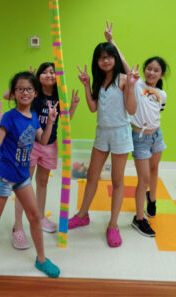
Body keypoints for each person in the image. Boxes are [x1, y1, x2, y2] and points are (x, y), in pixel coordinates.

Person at [0, 71, 60, 293]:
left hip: (22, 177)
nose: (24, 92)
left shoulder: (34, 116)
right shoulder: (9, 116)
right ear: (15, 92)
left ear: (35, 92)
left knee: (35, 216)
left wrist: (52, 121)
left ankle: (41, 258)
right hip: (4, 176)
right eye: (20, 89)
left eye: (29, 89)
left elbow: (44, 140)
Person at [68, 38, 139, 248]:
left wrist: (132, 88)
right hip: (102, 134)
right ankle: (82, 215)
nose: (105, 60)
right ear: (97, 61)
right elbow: (92, 108)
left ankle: (113, 225)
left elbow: (132, 110)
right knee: (91, 176)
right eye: (101, 58)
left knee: (117, 181)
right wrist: (86, 84)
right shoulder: (100, 82)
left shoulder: (124, 79)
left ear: (115, 58)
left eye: (108, 56)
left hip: (120, 134)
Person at [4, 62, 79, 250]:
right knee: (24, 184)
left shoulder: (58, 96)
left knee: (43, 182)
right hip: (29, 144)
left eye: (52, 72)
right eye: (44, 72)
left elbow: (65, 120)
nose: (48, 75)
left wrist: (73, 106)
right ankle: (18, 226)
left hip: (49, 144)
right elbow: (7, 96)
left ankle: (40, 217)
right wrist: (27, 79)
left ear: (57, 77)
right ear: (38, 76)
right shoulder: (33, 93)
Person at [104, 21, 168, 237]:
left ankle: (153, 200)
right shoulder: (137, 84)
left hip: (156, 136)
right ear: (144, 70)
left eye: (156, 70)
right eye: (149, 68)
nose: (151, 72)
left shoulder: (162, 95)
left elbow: (158, 112)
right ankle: (138, 218)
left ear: (161, 75)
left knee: (154, 172)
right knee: (144, 179)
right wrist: (111, 41)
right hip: (139, 138)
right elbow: (123, 63)